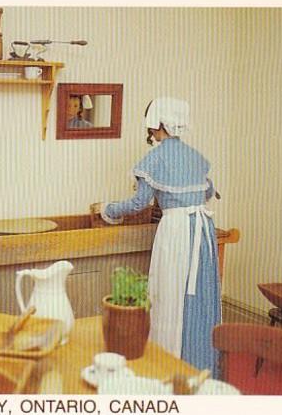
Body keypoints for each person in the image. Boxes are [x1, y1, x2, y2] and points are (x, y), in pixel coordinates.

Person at [94, 97, 221, 376]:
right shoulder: (195, 156)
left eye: (151, 127)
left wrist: (107, 210)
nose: (150, 133)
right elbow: (208, 192)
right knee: (197, 295)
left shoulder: (155, 158)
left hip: (177, 231)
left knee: (169, 293)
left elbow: (139, 202)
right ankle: (198, 362)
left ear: (157, 124)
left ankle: (168, 361)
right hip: (202, 230)